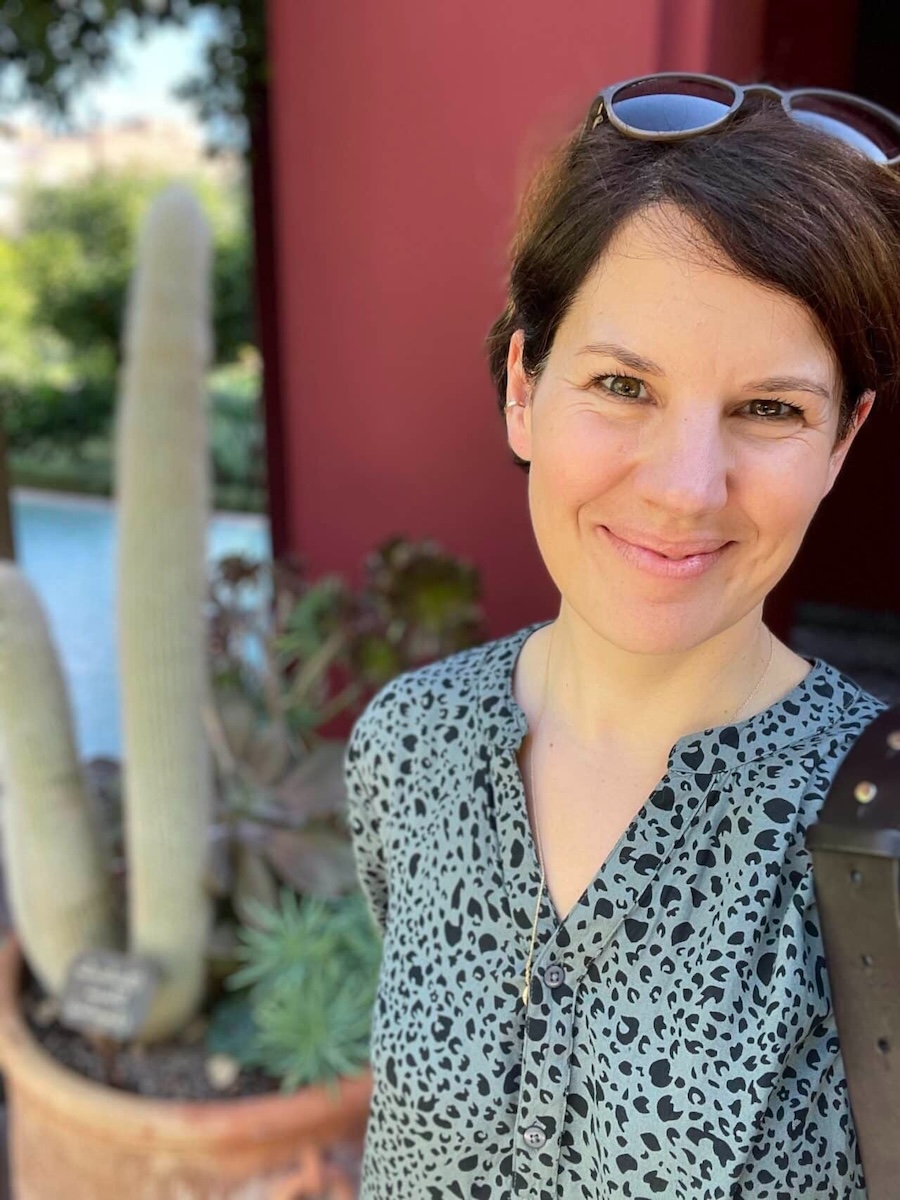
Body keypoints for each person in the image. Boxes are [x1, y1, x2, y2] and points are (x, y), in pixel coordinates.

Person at [343, 74, 900, 1199]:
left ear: (843, 441)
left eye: (771, 409)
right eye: (622, 385)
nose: (688, 490)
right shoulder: (408, 746)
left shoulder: (879, 822)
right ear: (522, 386)